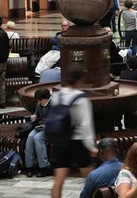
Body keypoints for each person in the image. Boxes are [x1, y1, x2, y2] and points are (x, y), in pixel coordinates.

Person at [50, 65, 97, 198]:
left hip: (59, 141)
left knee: (58, 181)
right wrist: (91, 146)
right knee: (90, 180)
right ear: (80, 79)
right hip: (77, 142)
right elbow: (85, 124)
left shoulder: (57, 95)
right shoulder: (81, 98)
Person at [25, 88, 52, 177]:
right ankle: (29, 166)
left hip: (51, 128)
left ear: (47, 98)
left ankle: (44, 166)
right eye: (38, 100)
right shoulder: (39, 104)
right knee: (30, 137)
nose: (39, 101)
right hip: (40, 127)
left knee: (38, 138)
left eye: (41, 100)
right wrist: (34, 117)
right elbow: (37, 116)